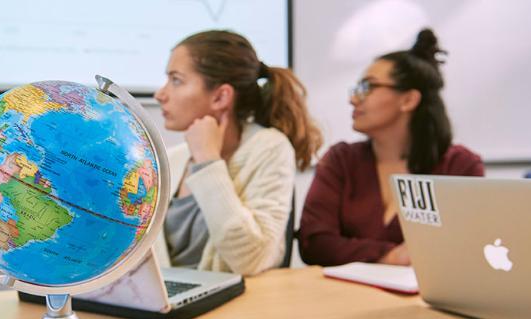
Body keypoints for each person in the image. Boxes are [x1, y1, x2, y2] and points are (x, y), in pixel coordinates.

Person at [297, 28, 483, 267]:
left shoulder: (461, 167)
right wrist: (392, 256)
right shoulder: (341, 160)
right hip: (344, 298)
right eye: (356, 89)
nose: (353, 99)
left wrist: (358, 252)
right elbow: (315, 244)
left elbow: (465, 250)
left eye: (368, 87)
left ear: (408, 100)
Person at [151, 30, 322, 275]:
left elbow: (251, 259)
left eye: (176, 80)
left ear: (221, 96)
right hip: (168, 307)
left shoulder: (269, 148)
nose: (161, 94)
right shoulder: (172, 158)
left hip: (235, 307)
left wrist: (208, 162)